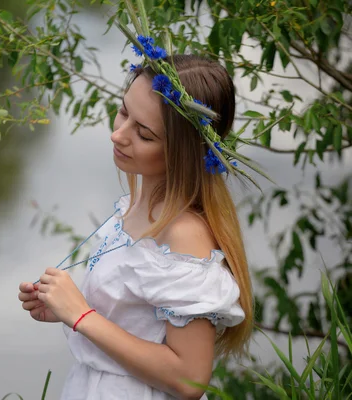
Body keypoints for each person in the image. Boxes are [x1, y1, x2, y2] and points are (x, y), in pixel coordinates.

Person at [18, 54, 254, 400]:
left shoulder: (184, 234)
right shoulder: (136, 205)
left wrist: (82, 316)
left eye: (143, 134)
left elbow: (190, 379)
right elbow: (138, 322)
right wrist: (64, 310)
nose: (118, 134)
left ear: (183, 151)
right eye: (124, 111)